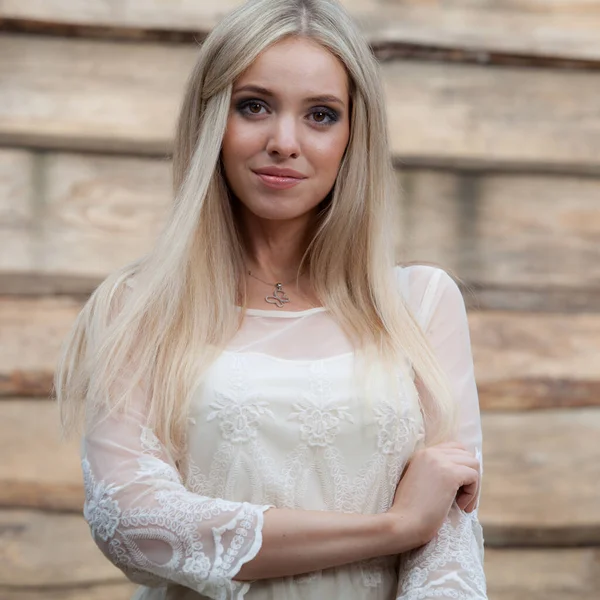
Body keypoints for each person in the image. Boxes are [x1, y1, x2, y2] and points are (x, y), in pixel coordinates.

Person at [56, 0, 487, 598]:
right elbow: (134, 522)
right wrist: (395, 526)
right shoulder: (138, 306)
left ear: (353, 137)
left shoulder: (421, 303)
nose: (284, 141)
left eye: (321, 114)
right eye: (253, 106)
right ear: (212, 121)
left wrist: (421, 527)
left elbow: (450, 544)